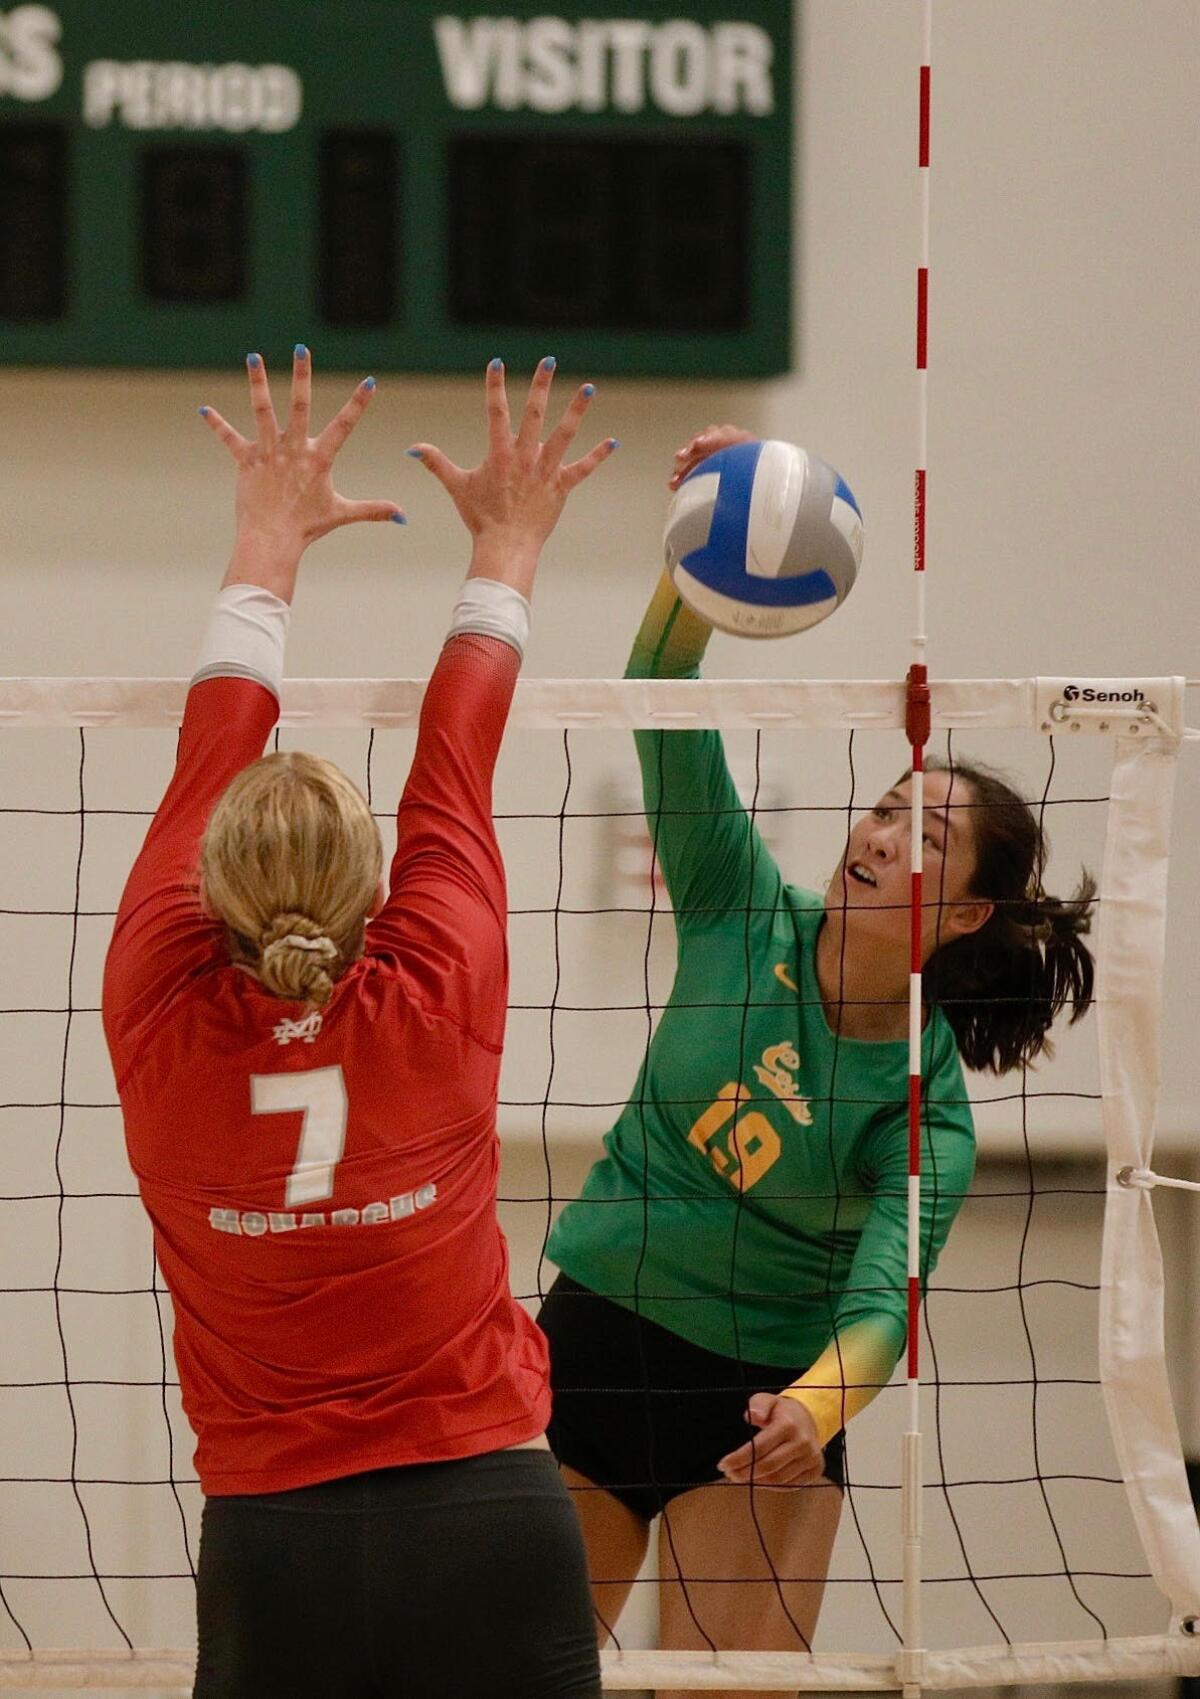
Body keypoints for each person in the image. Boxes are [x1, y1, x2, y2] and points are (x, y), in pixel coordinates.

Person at [540, 424, 1096, 1693]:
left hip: (759, 1416)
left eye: (928, 839)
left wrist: (818, 1409)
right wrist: (705, 545)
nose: (885, 834)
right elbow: (656, 697)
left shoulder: (924, 1105)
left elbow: (879, 1305)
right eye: (892, 806)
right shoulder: (740, 904)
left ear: (962, 915)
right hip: (591, 1348)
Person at [102, 348, 614, 1699]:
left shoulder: (155, 1006)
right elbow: (461, 739)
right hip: (493, 1517)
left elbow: (214, 738)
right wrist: (508, 540)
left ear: (204, 885)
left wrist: (266, 535)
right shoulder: (439, 977)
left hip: (275, 1541)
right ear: (376, 887)